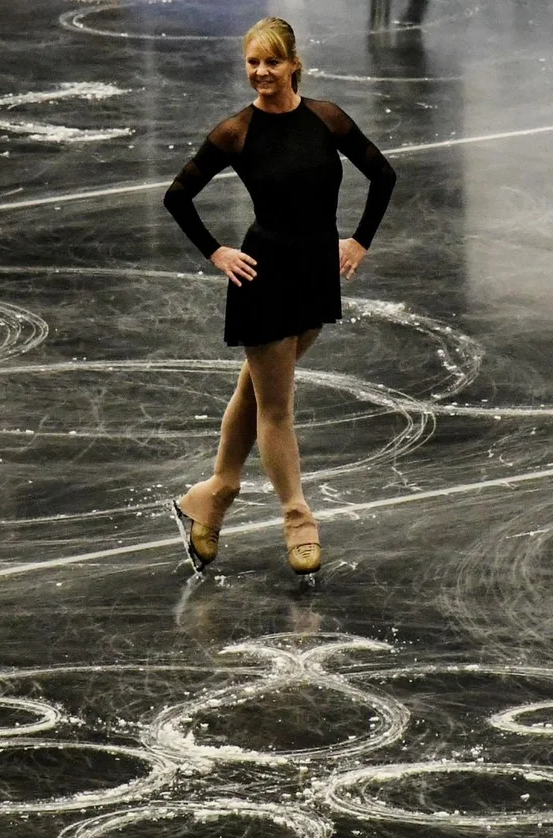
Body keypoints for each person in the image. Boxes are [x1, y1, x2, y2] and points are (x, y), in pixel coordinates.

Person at [163, 16, 396, 576]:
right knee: (277, 407)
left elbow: (382, 175)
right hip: (261, 280)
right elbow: (177, 196)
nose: (260, 73)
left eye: (271, 62)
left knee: (255, 392)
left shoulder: (326, 119)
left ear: (294, 64)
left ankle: (211, 497)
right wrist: (218, 252)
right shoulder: (236, 132)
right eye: (252, 63)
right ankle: (297, 517)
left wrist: (360, 240)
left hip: (315, 274)